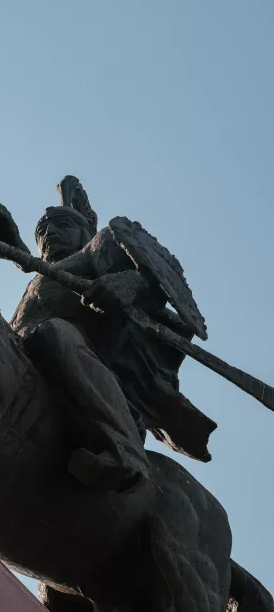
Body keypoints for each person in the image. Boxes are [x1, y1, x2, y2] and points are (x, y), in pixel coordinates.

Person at [11, 176, 216, 492]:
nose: (49, 233)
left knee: (52, 333)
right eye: (42, 231)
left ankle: (124, 448)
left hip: (78, 347)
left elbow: (156, 279)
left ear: (84, 232)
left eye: (61, 225)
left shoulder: (96, 247)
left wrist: (131, 283)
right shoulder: (37, 279)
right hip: (28, 353)